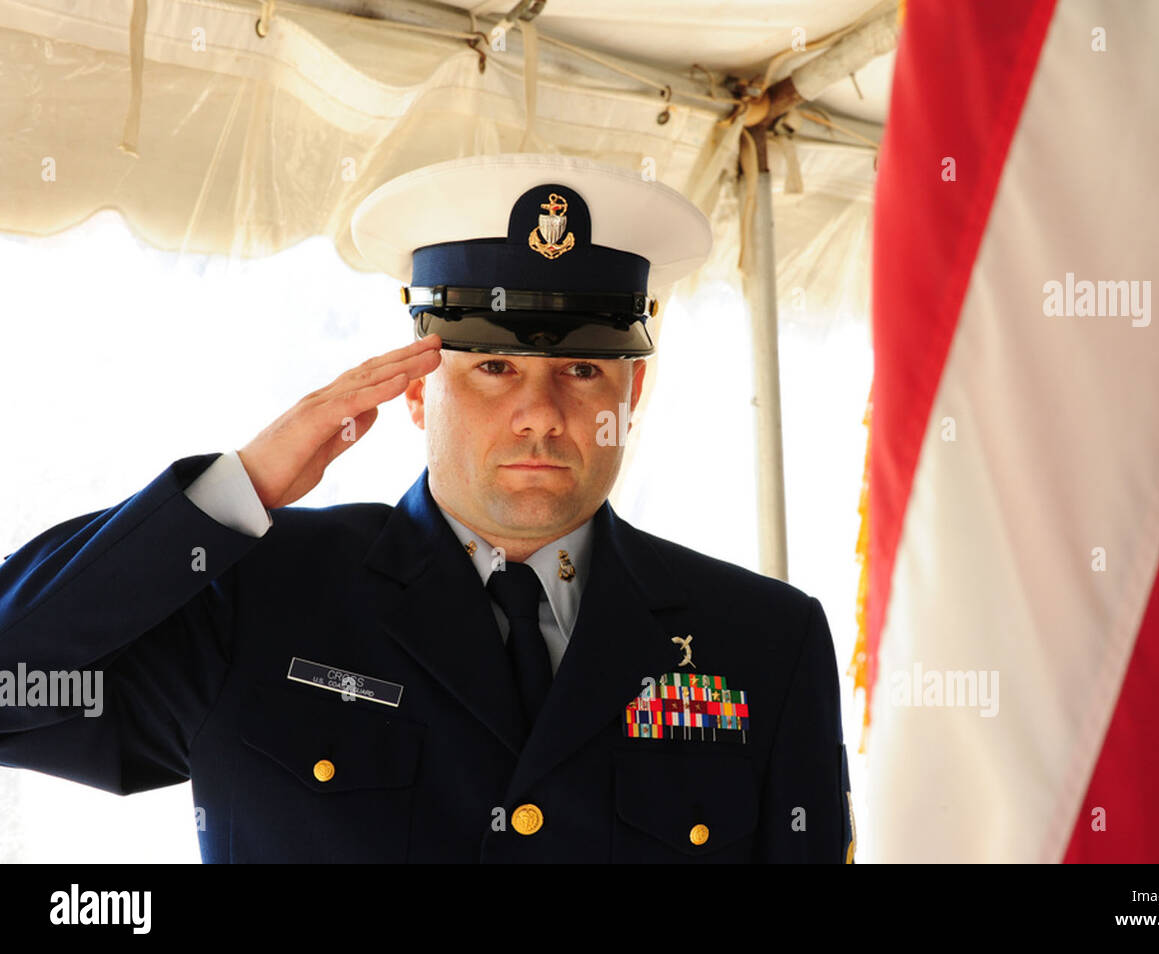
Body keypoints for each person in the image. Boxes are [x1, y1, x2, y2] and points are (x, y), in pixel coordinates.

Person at [0, 153, 853, 862]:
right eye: (492, 368)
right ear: (414, 390)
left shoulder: (765, 643)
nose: (543, 412)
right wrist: (237, 490)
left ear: (636, 389)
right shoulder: (255, 596)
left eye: (584, 369)